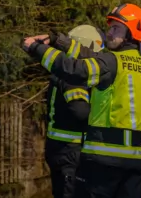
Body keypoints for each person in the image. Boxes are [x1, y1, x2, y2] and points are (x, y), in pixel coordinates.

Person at [22, 3, 141, 198]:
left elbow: (72, 69)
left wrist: (36, 49)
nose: (109, 33)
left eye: (116, 28)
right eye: (109, 27)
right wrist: (57, 39)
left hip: (102, 162)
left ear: (133, 32)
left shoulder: (113, 62)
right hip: (134, 164)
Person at [26, 26, 103, 198]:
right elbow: (80, 111)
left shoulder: (62, 72)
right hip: (70, 152)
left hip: (60, 150)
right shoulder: (72, 78)